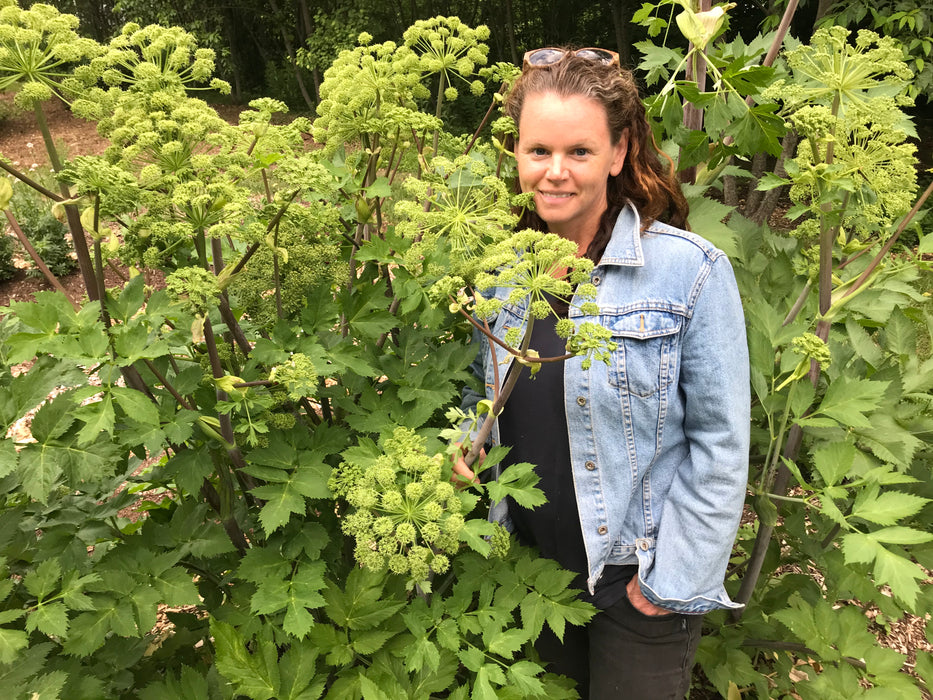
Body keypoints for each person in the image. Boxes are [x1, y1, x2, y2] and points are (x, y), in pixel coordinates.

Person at [453, 48, 750, 699]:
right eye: (537, 151)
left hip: (635, 583)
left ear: (617, 153)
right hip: (529, 576)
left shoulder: (687, 272)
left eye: (579, 152)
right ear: (516, 156)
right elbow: (485, 400)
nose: (554, 172)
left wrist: (667, 579)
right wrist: (461, 446)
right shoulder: (499, 274)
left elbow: (721, 442)